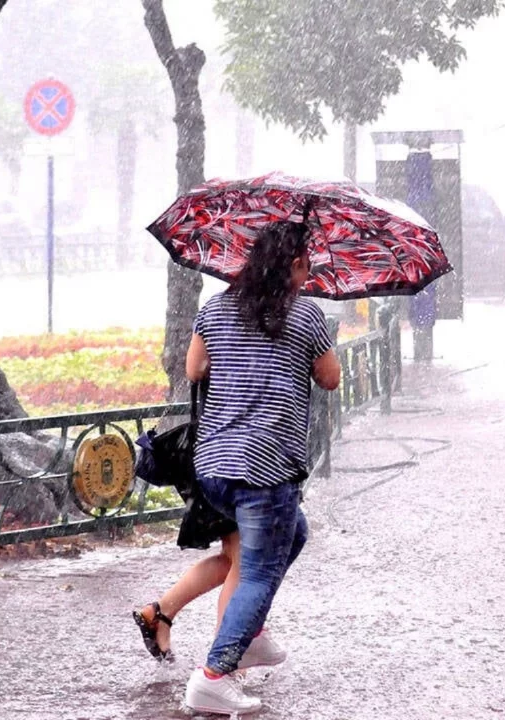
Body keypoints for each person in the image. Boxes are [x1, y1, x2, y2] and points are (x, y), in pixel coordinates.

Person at [181, 220, 341, 716]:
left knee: (293, 533)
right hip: (267, 469)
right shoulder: (305, 314)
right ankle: (215, 674)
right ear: (293, 265)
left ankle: (249, 636)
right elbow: (331, 378)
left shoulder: (217, 307)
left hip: (215, 466)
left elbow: (194, 369)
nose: (309, 273)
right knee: (257, 572)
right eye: (307, 265)